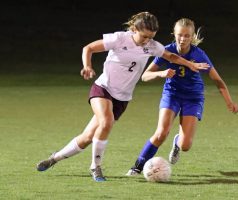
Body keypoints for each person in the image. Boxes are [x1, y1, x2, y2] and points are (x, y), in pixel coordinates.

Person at [36, 12, 209, 182]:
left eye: (151, 37)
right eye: (144, 36)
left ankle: (54, 158)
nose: (147, 40)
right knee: (107, 121)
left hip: (122, 98)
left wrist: (189, 64)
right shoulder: (119, 39)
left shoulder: (152, 46)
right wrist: (87, 66)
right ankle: (95, 167)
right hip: (103, 88)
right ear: (134, 29)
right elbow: (88, 48)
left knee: (88, 137)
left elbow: (170, 56)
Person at [126, 18, 238, 176]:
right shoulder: (166, 50)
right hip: (171, 94)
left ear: (192, 37)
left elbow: (217, 80)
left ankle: (177, 142)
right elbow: (145, 76)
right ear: (174, 34)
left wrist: (229, 102)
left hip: (193, 97)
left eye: (187, 35)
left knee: (185, 145)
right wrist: (162, 73)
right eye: (180, 35)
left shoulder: (199, 54)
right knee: (161, 133)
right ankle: (137, 166)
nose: (183, 39)